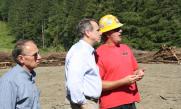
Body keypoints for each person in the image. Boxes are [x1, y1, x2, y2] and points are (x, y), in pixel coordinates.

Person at [96, 14, 144, 109]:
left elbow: (134, 70)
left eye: (120, 28)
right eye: (117, 29)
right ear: (107, 33)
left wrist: (138, 73)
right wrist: (123, 82)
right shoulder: (98, 54)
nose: (121, 31)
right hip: (112, 104)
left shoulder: (125, 48)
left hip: (131, 100)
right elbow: (97, 84)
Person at [65, 18, 102, 109]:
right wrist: (83, 104)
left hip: (87, 102)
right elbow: (74, 82)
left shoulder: (86, 51)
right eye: (97, 30)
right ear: (88, 32)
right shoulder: (80, 52)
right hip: (84, 103)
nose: (100, 33)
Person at [0, 39, 42, 109]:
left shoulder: (29, 77)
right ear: (21, 59)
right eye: (35, 55)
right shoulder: (9, 81)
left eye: (38, 53)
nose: (39, 57)